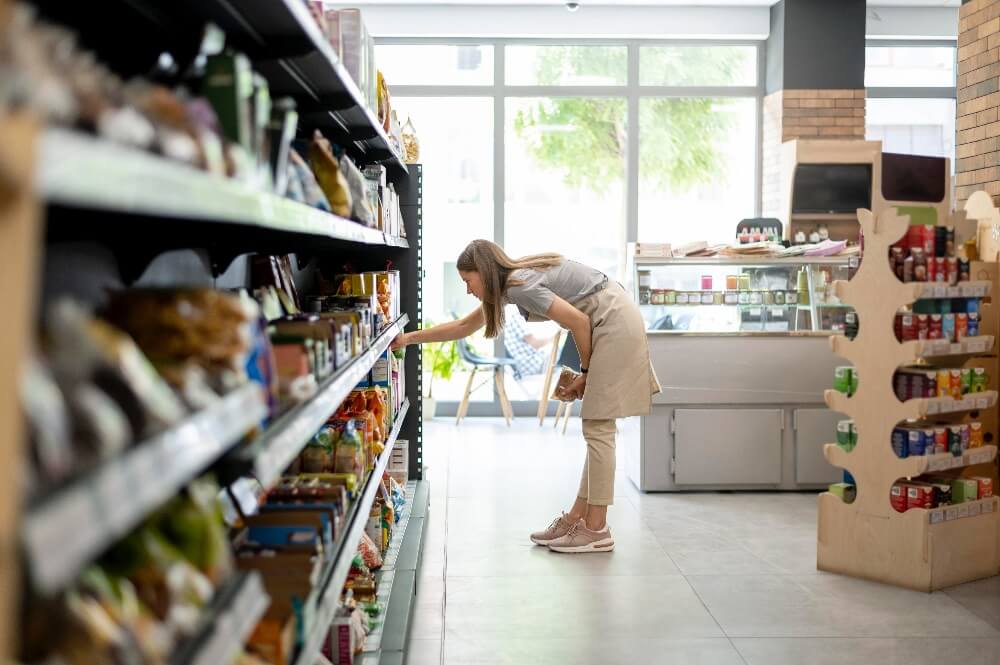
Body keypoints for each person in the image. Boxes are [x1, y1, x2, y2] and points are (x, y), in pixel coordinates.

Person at [391, 239, 660, 554]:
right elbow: (464, 326)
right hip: (609, 318)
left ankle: (596, 529)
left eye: (468, 281)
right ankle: (578, 518)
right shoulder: (510, 285)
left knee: (598, 428)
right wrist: (409, 338)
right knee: (596, 431)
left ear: (484, 272)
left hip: (612, 322)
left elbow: (579, 321)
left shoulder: (519, 285)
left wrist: (586, 372)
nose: (467, 289)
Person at [502, 305, 552, 380]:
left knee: (557, 356)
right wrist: (556, 337)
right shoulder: (518, 318)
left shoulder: (515, 318)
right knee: (558, 353)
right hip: (527, 365)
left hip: (522, 363)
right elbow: (536, 344)